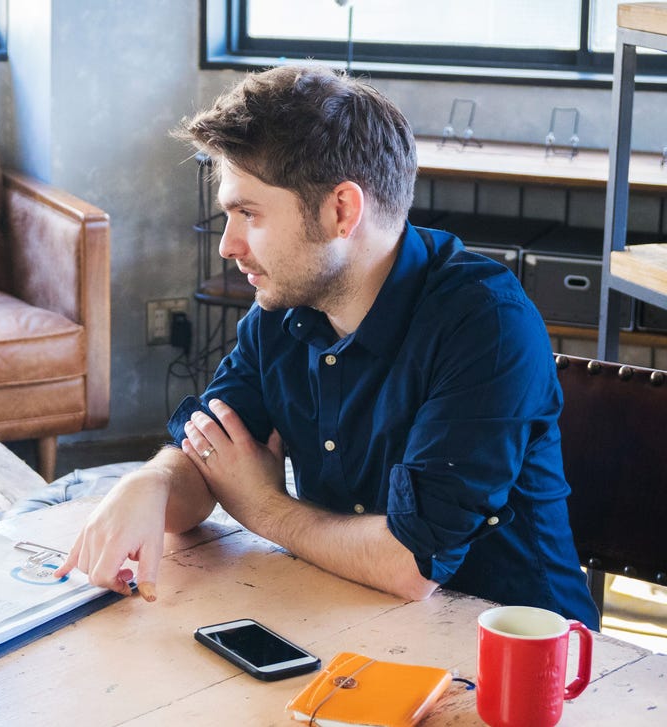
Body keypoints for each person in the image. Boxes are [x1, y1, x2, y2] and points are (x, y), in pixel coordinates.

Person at [55, 66, 599, 628]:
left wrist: (263, 507)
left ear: (342, 210)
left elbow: (410, 564)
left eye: (249, 214)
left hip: (523, 662)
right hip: (351, 618)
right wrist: (150, 483)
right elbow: (210, 458)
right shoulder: (283, 306)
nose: (227, 245)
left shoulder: (485, 324)